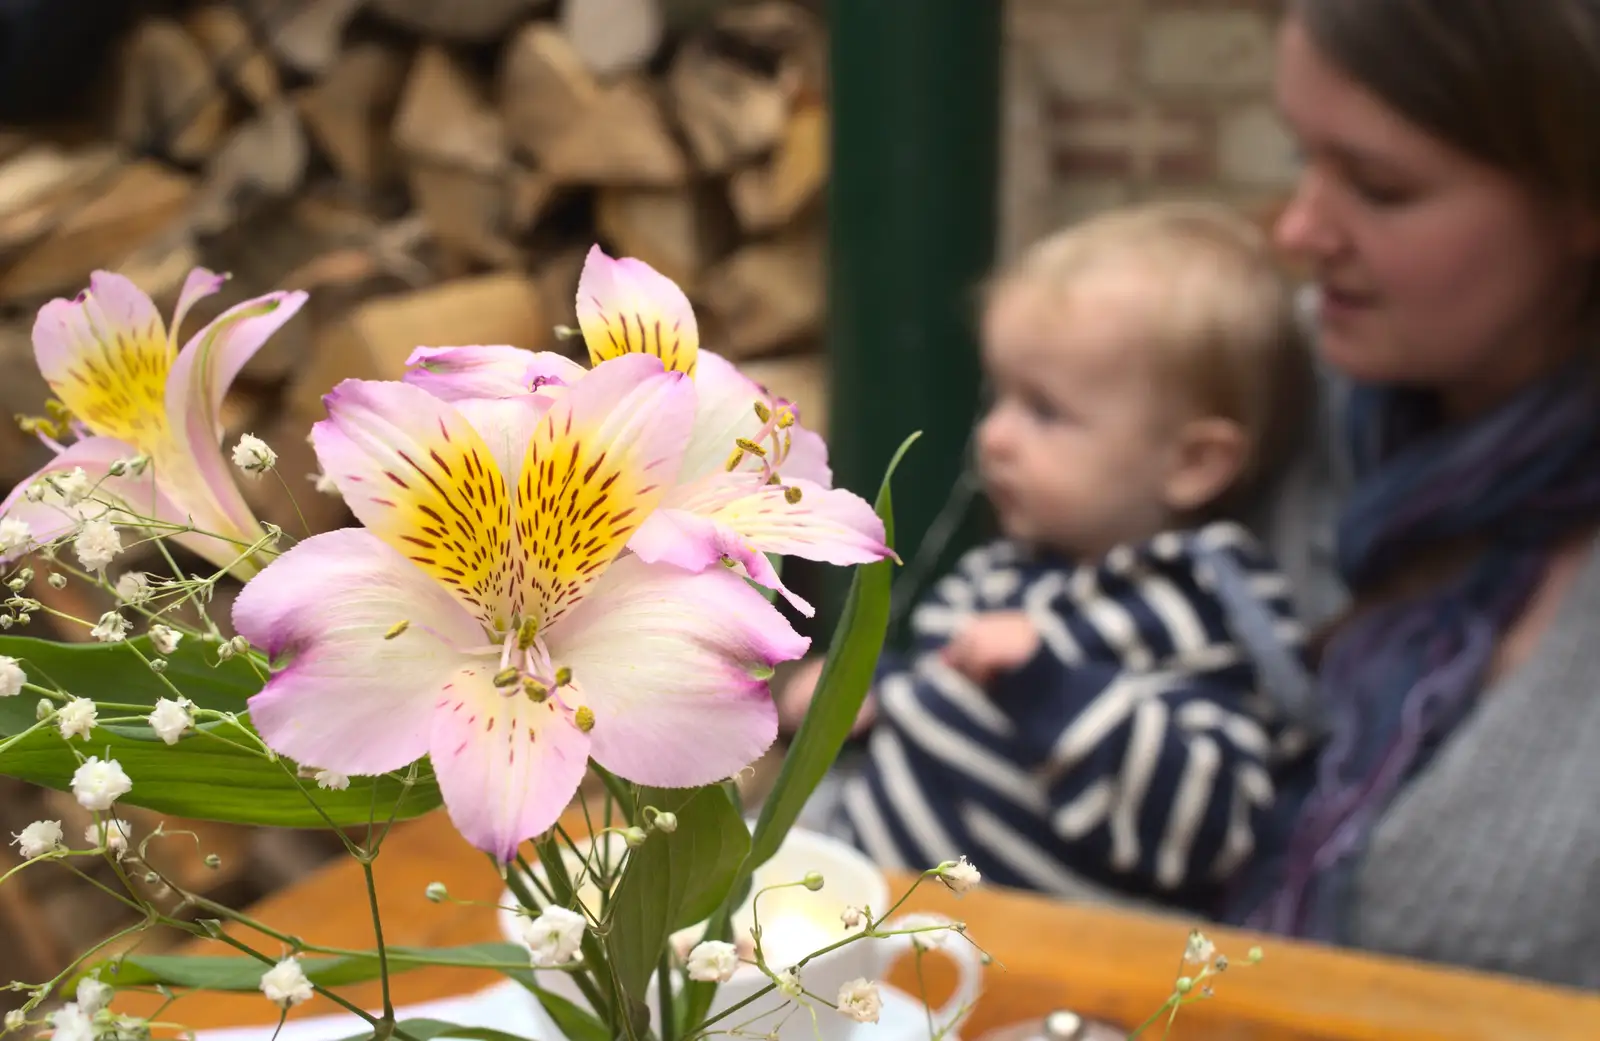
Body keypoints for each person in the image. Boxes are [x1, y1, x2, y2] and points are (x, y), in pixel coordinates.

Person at [782, 201, 1319, 914]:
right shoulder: (1004, 570)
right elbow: (944, 685)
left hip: (1045, 982)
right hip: (868, 910)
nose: (995, 436)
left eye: (1045, 411)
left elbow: (1210, 823)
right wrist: (863, 689)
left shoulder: (1201, 604)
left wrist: (1047, 685)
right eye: (997, 397)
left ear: (1193, 463)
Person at [1222, 0, 1600, 992]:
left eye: (1379, 187)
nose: (1300, 228)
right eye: (1298, 156)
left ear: (1579, 202)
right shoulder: (1250, 392)